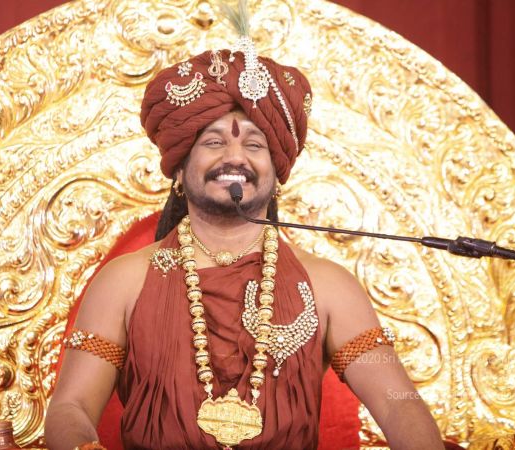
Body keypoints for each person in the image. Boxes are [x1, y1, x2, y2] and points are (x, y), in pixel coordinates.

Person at [45, 32, 444, 450]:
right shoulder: (125, 281)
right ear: (179, 169)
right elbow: (71, 407)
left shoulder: (329, 286)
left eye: (254, 144)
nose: (235, 157)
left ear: (277, 171)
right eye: (214, 141)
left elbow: (398, 404)